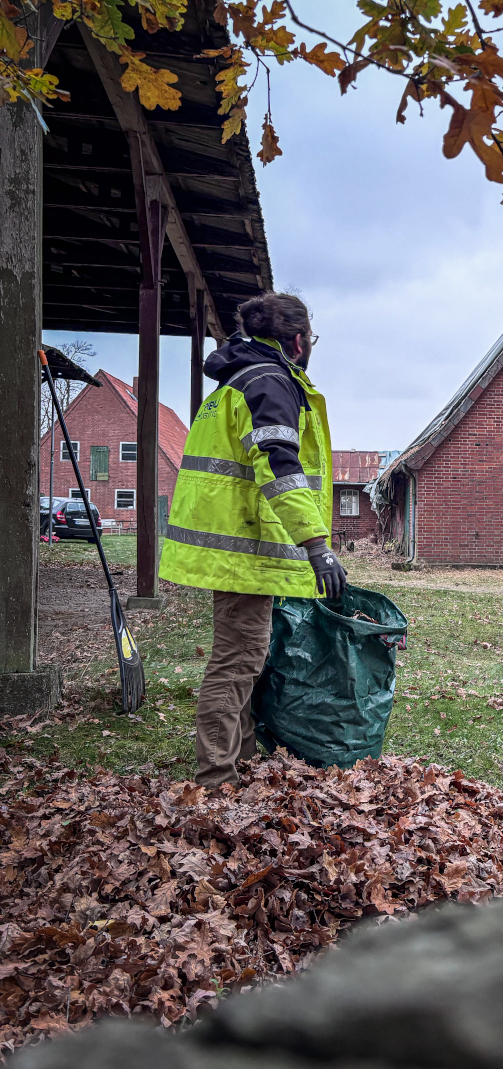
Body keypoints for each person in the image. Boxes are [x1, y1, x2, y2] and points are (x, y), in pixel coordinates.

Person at [159, 292, 346, 788]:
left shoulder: (237, 381)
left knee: (245, 655)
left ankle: (238, 763)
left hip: (235, 545)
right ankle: (216, 779)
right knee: (237, 659)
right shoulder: (269, 382)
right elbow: (280, 466)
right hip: (243, 549)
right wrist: (316, 544)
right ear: (299, 341)